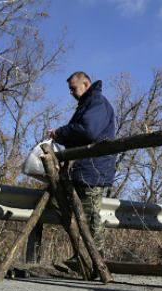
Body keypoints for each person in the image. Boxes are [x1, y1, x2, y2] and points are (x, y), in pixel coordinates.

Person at [48, 71, 116, 254]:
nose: (71, 93)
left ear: (86, 84)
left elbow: (88, 131)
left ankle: (96, 261)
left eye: (73, 88)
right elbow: (78, 136)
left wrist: (61, 132)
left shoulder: (97, 102)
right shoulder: (87, 104)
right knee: (60, 205)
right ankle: (84, 257)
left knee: (89, 216)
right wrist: (61, 136)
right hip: (82, 169)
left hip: (93, 170)